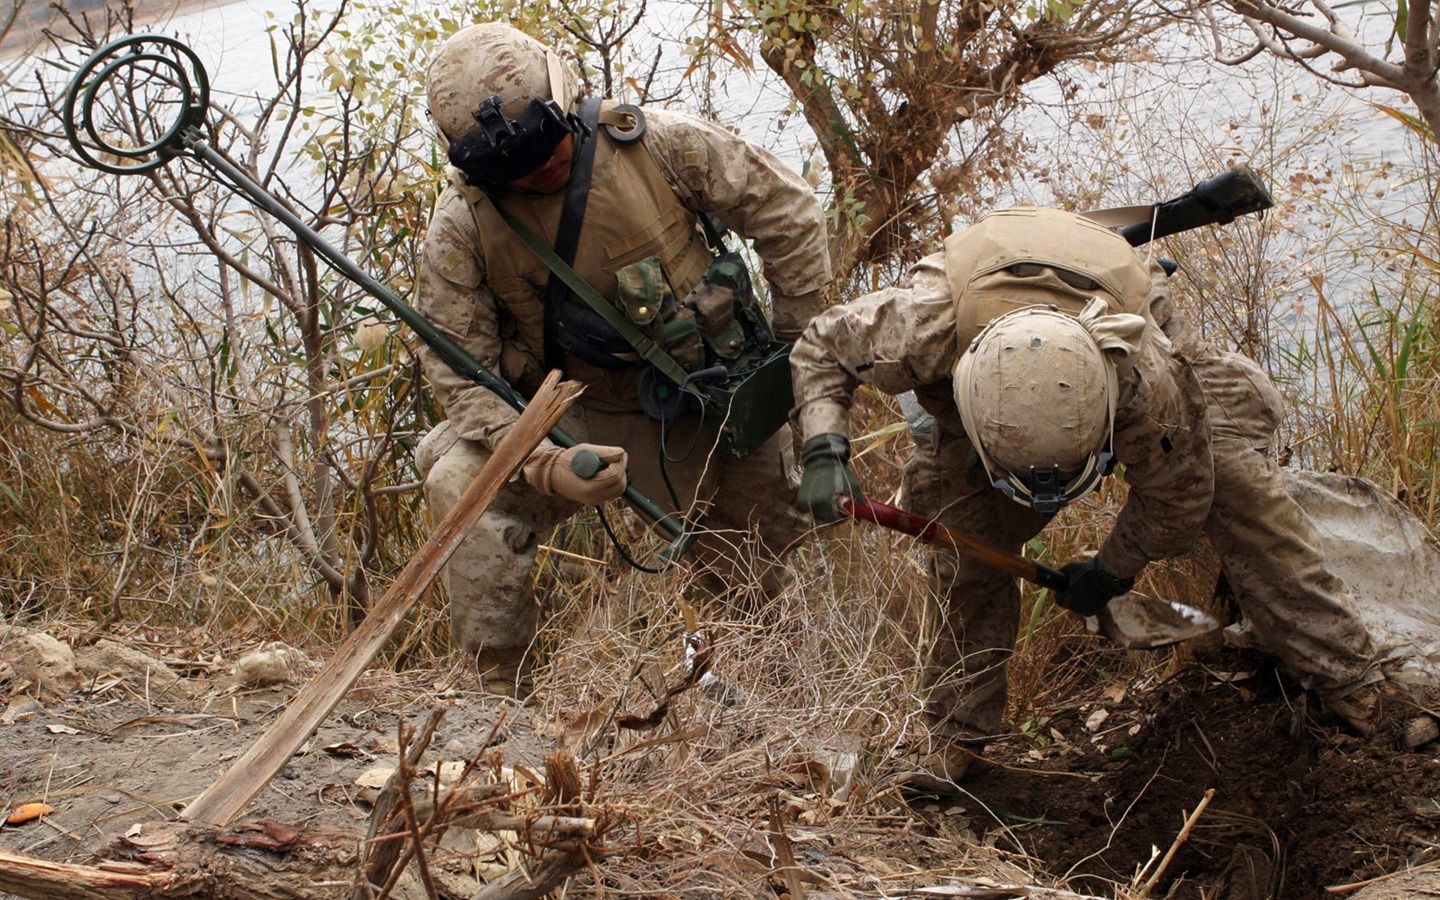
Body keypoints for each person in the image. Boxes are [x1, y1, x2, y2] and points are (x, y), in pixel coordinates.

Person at [790, 206, 1384, 788]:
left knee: (1242, 494)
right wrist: (822, 446)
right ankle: (958, 737)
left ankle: (1348, 678)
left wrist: (1111, 571)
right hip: (978, 351)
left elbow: (1179, 499)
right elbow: (821, 348)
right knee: (966, 554)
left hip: (1117, 313)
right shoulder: (918, 329)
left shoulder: (1148, 381)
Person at [413, 23, 833, 696]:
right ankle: (495, 699)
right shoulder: (462, 225)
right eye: (510, 168)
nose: (537, 169)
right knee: (461, 483)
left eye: (547, 146)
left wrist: (799, 358)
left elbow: (789, 212)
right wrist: (543, 465)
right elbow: (461, 371)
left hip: (710, 402)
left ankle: (750, 698)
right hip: (574, 418)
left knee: (761, 580)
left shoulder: (659, 144)